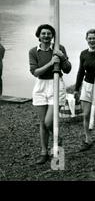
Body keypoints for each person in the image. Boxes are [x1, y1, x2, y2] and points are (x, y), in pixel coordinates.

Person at [29, 24, 72, 164]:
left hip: (56, 84)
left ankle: (57, 142)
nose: (46, 36)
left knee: (49, 122)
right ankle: (43, 152)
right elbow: (35, 72)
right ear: (39, 35)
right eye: (43, 33)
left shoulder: (59, 48)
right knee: (42, 122)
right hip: (41, 86)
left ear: (53, 36)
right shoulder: (33, 51)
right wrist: (50, 63)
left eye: (49, 33)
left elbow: (67, 70)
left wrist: (62, 57)